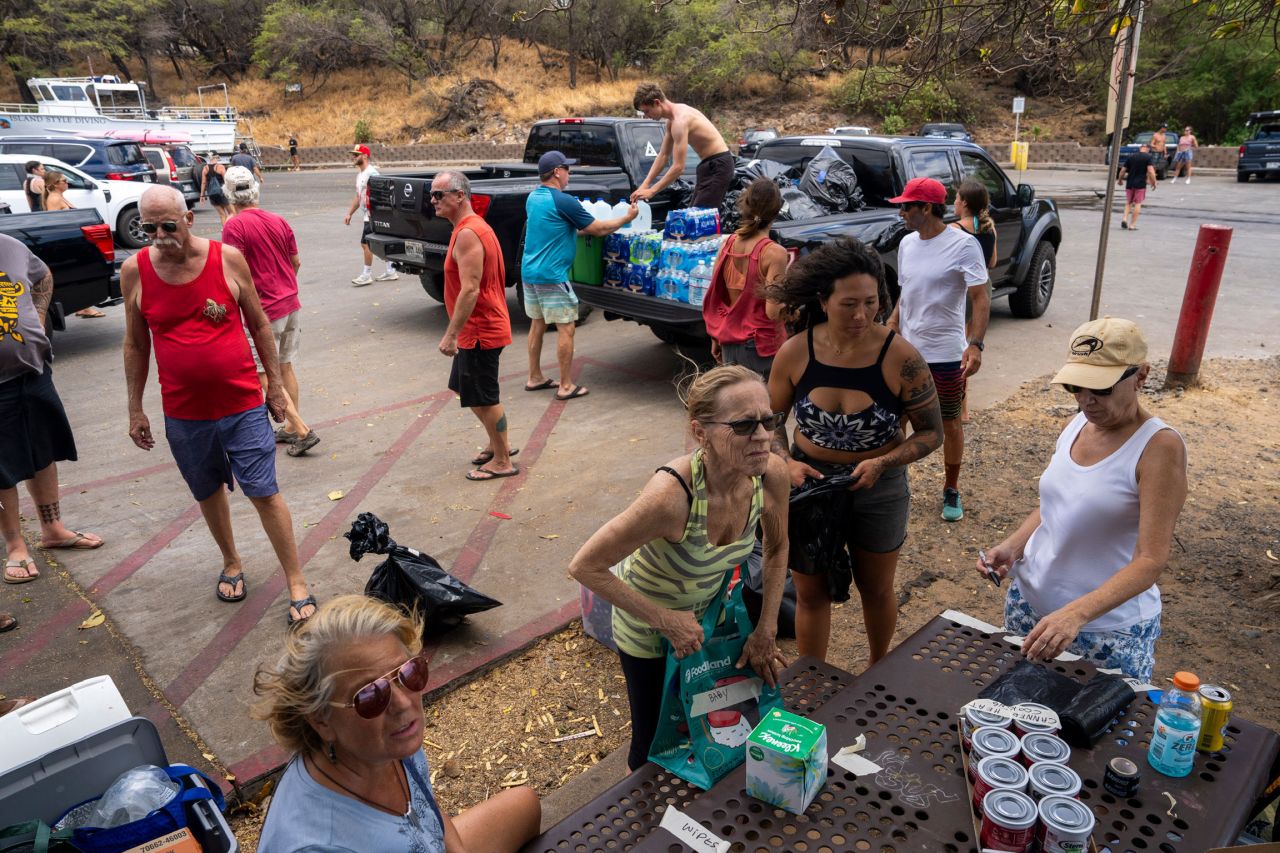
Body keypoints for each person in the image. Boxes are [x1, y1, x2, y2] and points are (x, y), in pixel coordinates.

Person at [569, 365, 791, 770]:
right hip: (649, 628)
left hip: (705, 620)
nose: (762, 437)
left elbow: (777, 547)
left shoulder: (770, 474)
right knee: (654, 740)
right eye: (743, 425)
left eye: (768, 420)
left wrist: (767, 629)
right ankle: (647, 822)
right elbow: (585, 566)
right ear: (700, 432)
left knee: (707, 724)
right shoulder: (671, 497)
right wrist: (666, 620)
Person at [121, 186, 317, 625]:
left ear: (188, 218)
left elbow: (260, 324)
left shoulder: (226, 258)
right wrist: (135, 407)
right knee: (208, 491)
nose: (158, 235)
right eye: (148, 227)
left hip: (242, 402)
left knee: (264, 491)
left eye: (167, 225)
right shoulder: (134, 271)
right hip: (184, 412)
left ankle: (296, 581)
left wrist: (275, 388)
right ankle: (232, 562)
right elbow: (135, 345)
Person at [976, 317, 1187, 681]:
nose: (1085, 400)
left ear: (1141, 376)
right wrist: (1013, 546)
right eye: (1075, 385)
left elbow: (1151, 560)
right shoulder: (1076, 425)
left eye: (1100, 389)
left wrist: (1077, 613)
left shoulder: (1158, 448)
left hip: (1105, 630)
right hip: (1032, 609)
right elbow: (1055, 506)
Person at [766, 237, 943, 665]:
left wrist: (884, 461)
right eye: (849, 304)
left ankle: (878, 668)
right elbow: (769, 422)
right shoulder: (795, 353)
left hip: (878, 489)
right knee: (811, 591)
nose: (862, 314)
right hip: (810, 486)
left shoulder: (901, 358)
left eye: (871, 302)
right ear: (823, 301)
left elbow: (931, 432)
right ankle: (812, 680)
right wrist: (786, 461)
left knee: (877, 587)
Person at [252, 594, 541, 852]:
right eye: (370, 695)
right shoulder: (318, 845)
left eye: (409, 673)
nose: (403, 704)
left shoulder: (387, 742)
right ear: (320, 720)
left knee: (525, 805)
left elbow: (425, 805)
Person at [1, 233, 105, 589]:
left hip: (33, 370)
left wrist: (39, 314)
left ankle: (53, 529)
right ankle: (15, 546)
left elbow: (42, 275)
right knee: (2, 468)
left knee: (43, 452)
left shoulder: (10, 246)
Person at [885, 177, 989, 522]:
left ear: (926, 208)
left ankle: (951, 488)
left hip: (945, 354)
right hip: (906, 353)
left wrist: (974, 345)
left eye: (906, 206)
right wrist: (894, 321)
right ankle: (892, 480)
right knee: (895, 418)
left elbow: (980, 296)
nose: (901, 213)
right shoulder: (907, 244)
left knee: (949, 424)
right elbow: (907, 290)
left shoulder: (963, 245)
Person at [221, 165, 320, 457]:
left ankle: (301, 429)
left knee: (264, 373)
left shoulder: (234, 226)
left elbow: (232, 271)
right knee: (285, 366)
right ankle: (290, 428)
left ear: (228, 194)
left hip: (263, 311)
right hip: (290, 304)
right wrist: (283, 285)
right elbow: (296, 262)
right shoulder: (278, 220)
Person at [522, 150, 636, 401]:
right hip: (551, 275)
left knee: (537, 324)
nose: (569, 174)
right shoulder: (564, 201)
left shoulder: (533, 198)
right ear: (556, 172)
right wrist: (626, 217)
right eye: (567, 169)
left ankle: (535, 377)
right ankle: (565, 385)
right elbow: (598, 229)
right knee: (566, 327)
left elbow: (560, 230)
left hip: (529, 272)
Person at [432, 171, 517, 481]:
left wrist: (451, 334)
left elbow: (471, 289)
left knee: (484, 397)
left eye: (439, 194)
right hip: (477, 328)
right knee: (466, 389)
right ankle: (499, 444)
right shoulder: (470, 228)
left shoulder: (469, 232)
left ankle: (503, 459)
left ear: (459, 196)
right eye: (433, 194)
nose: (433, 200)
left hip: (480, 329)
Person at [703, 177, 790, 380]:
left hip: (728, 340)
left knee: (738, 406)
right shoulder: (774, 253)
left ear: (745, 206)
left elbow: (717, 296)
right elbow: (773, 311)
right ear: (777, 212)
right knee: (764, 407)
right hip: (760, 348)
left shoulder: (728, 243)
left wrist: (715, 336)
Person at [630, 82, 734, 210]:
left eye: (647, 111)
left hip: (719, 165)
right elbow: (663, 156)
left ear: (657, 102)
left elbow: (679, 167)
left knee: (701, 217)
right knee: (693, 215)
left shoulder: (680, 120)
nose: (646, 116)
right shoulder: (671, 121)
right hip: (707, 166)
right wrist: (644, 185)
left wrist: (652, 191)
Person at [951, 179, 996, 423]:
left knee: (960, 350)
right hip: (984, 287)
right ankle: (964, 410)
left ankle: (961, 409)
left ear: (965, 202)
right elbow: (992, 262)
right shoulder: (989, 226)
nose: (954, 202)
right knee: (969, 347)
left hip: (965, 291)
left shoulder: (955, 229)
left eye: (956, 198)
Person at [41, 171, 106, 319]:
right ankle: (85, 307)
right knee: (80, 273)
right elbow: (54, 222)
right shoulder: (54, 199)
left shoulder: (60, 196)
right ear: (56, 184)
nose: (67, 182)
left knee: (82, 273)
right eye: (64, 180)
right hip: (65, 244)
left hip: (74, 241)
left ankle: (84, 307)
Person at [344, 144, 397, 287]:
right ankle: (391, 270)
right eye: (353, 155)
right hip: (368, 215)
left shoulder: (372, 174)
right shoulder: (360, 175)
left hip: (373, 215)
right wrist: (349, 213)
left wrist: (380, 213)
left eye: (356, 155)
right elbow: (358, 196)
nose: (353, 157)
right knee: (378, 242)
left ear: (365, 156)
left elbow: (381, 194)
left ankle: (366, 274)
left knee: (365, 243)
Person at [1117, 143, 1157, 231]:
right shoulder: (1148, 157)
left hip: (1130, 183)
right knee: (1138, 203)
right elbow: (1150, 171)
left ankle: (1124, 219)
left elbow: (1123, 170)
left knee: (1129, 202)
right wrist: (1154, 182)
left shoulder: (1131, 156)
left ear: (1140, 148)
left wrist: (1120, 179)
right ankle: (1132, 225)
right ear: (1147, 149)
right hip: (1140, 184)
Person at [200, 153, 233, 225]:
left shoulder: (205, 168)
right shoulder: (220, 167)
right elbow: (226, 180)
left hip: (211, 193)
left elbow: (203, 183)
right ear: (217, 158)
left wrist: (202, 195)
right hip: (222, 192)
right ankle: (227, 228)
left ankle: (224, 231)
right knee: (232, 213)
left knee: (222, 215)